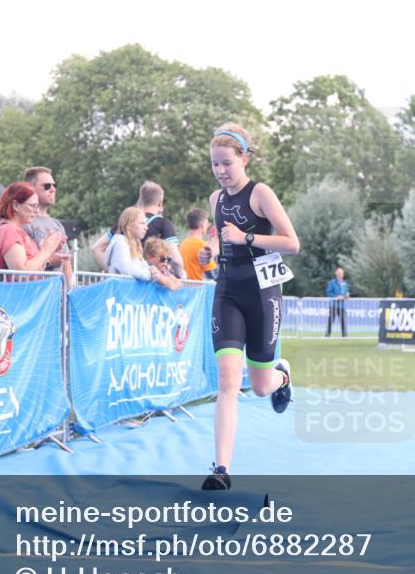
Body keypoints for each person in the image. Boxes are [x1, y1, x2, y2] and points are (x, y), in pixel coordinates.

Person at [196, 123, 299, 490]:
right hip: (227, 291)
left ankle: (282, 376)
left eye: (227, 163)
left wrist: (247, 237)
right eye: (215, 164)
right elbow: (222, 239)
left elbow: (292, 242)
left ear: (244, 160)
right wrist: (212, 252)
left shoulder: (260, 193)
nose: (221, 171)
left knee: (260, 387)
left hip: (262, 292)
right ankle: (221, 469)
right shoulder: (216, 200)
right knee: (227, 380)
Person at [91, 181, 184, 275]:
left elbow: (96, 248)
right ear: (160, 204)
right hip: (150, 280)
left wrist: (114, 271)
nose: (145, 228)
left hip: (129, 279)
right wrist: (180, 275)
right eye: (142, 224)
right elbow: (176, 260)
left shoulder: (125, 223)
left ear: (140, 201)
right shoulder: (163, 223)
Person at [0, 182, 68, 274]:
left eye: (37, 206)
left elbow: (35, 270)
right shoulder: (8, 231)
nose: (37, 211)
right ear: (16, 205)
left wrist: (44, 249)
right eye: (33, 206)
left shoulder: (14, 230)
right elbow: (22, 273)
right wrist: (46, 250)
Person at [23, 166, 73, 284]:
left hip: (56, 291)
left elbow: (66, 264)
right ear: (31, 189)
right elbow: (22, 263)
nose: (53, 189)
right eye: (47, 186)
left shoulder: (57, 225)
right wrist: (49, 260)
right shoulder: (24, 222)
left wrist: (70, 290)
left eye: (54, 185)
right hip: (34, 290)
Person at [106, 207, 163, 281]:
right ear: (129, 225)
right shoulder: (121, 244)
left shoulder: (134, 245)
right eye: (142, 223)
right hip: (120, 288)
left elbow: (142, 266)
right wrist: (149, 274)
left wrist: (152, 270)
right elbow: (126, 269)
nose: (146, 228)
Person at [179, 208, 218, 280]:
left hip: (185, 285)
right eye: (207, 223)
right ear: (202, 225)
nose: (208, 226)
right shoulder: (202, 246)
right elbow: (213, 274)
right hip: (199, 285)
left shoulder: (183, 244)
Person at [325, 267, 350, 338]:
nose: (340, 274)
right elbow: (328, 292)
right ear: (336, 274)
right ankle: (327, 335)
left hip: (342, 305)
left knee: (343, 321)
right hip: (334, 305)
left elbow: (347, 291)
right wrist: (336, 297)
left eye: (341, 273)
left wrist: (347, 295)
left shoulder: (344, 283)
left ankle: (344, 335)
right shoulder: (332, 282)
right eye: (339, 273)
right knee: (331, 320)